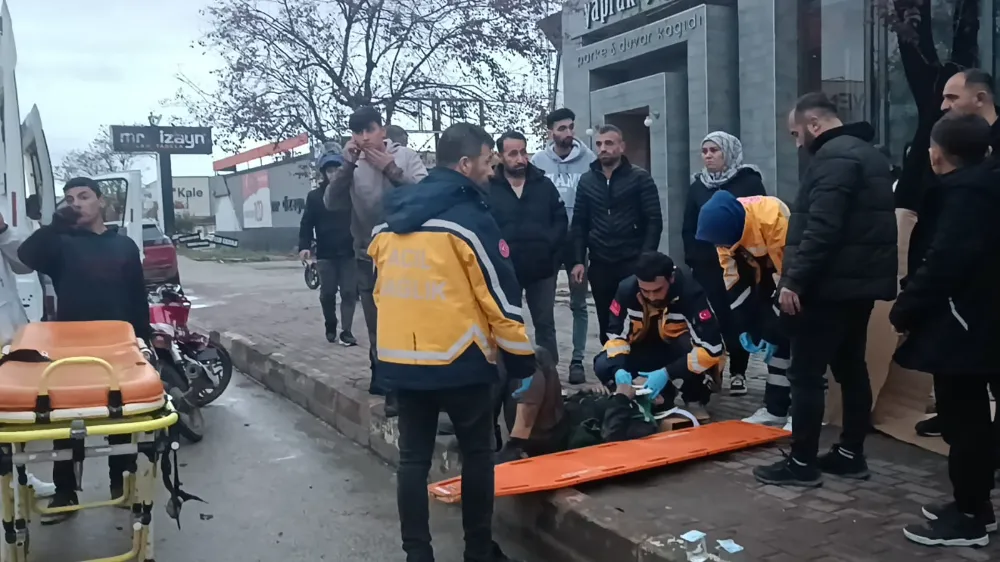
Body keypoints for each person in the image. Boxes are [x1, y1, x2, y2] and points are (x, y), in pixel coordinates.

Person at [369, 122, 534, 562]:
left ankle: (417, 554)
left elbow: (381, 291)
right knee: (479, 455)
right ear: (465, 164)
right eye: (486, 161)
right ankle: (478, 549)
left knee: (412, 461)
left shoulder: (390, 219)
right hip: (461, 360)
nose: (491, 170)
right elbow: (500, 298)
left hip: (402, 361)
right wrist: (521, 360)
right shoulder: (470, 220)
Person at [753, 92, 897, 488]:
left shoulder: (832, 159)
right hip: (858, 286)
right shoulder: (869, 155)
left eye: (797, 134)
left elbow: (822, 226)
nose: (797, 143)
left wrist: (794, 280)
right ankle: (851, 453)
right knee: (851, 367)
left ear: (814, 125)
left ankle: (801, 463)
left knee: (805, 373)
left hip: (828, 286)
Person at [890, 113, 1000, 548]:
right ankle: (974, 504)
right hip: (974, 322)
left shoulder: (968, 195)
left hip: (964, 325)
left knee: (964, 422)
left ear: (938, 153)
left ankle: (970, 517)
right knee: (963, 419)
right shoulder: (980, 187)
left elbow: (944, 261)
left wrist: (906, 308)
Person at [18, 177, 151, 522]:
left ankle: (119, 484)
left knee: (119, 417)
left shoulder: (124, 246)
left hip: (118, 346)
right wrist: (55, 224)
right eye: (70, 198)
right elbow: (25, 256)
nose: (76, 202)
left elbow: (138, 296)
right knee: (67, 421)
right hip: (71, 348)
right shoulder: (60, 244)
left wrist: (145, 340)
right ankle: (65, 492)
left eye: (84, 196)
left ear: (101, 202)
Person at [911, 69, 1000, 445]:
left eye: (951, 98)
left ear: (979, 98)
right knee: (959, 372)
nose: (943, 106)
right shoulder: (947, 143)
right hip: (957, 282)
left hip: (981, 281)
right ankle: (956, 420)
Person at [325, 106, 428, 416]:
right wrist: (347, 164)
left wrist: (390, 168)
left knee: (408, 321)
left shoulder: (406, 156)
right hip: (367, 254)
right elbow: (331, 202)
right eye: (358, 132)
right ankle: (387, 383)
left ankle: (415, 382)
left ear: (383, 130)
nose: (365, 137)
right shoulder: (352, 164)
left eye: (370, 130)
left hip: (408, 253)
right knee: (377, 324)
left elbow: (425, 196)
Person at [696, 191, 792, 430]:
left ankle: (801, 411)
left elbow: (788, 274)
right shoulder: (723, 233)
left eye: (722, 242)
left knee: (794, 339)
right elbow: (733, 278)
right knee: (776, 347)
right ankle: (776, 409)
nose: (720, 246)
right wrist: (745, 323)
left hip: (792, 276)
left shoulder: (773, 218)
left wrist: (773, 324)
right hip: (761, 272)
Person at [592, 251, 725, 422]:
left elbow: (712, 348)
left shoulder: (690, 293)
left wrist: (667, 373)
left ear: (671, 279)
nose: (652, 297)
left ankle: (695, 397)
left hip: (675, 352)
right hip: (643, 348)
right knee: (603, 363)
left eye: (657, 290)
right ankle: (630, 392)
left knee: (692, 349)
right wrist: (619, 369)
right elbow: (615, 336)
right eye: (645, 291)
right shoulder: (626, 290)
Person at [682, 131, 767, 396]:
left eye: (714, 151)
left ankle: (739, 372)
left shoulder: (749, 181)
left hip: (740, 263)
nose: (708, 156)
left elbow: (760, 221)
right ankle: (712, 369)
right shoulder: (698, 186)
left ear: (728, 152)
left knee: (738, 316)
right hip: (707, 266)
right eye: (705, 151)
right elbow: (689, 225)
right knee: (711, 319)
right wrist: (692, 259)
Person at [571, 124, 663, 349]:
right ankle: (612, 361)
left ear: (622, 146)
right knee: (606, 317)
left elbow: (654, 220)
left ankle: (641, 362)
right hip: (601, 262)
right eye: (600, 144)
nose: (603, 148)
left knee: (637, 315)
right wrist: (577, 260)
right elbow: (579, 223)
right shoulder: (587, 181)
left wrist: (646, 258)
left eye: (609, 143)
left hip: (631, 260)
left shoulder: (640, 178)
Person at [496, 347, 658, 463]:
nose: (637, 380)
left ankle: (515, 444)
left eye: (644, 380)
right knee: (517, 357)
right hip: (554, 421)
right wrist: (586, 393)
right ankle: (505, 439)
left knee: (539, 357)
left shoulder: (642, 421)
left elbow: (611, 439)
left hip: (554, 435)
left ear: (658, 398)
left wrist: (622, 399)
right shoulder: (616, 398)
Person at [489, 130, 567, 362]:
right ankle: (512, 376)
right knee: (508, 324)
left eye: (523, 152)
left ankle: (550, 381)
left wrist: (549, 247)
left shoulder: (543, 185)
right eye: (513, 153)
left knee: (545, 325)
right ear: (500, 156)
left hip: (542, 270)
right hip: (505, 271)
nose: (520, 159)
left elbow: (561, 219)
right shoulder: (489, 187)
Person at [531, 108, 596, 383]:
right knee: (544, 311)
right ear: (550, 132)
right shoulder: (537, 162)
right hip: (548, 243)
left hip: (578, 242)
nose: (568, 133)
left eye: (571, 127)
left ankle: (578, 361)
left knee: (579, 304)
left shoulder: (589, 160)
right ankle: (548, 366)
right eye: (561, 128)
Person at [0, 210, 57, 499]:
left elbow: (24, 264)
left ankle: (20, 479)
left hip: (9, 337)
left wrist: (3, 231)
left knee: (11, 420)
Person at [299, 147, 358, 346]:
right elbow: (307, 222)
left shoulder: (351, 193)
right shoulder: (315, 197)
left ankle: (347, 330)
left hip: (349, 251)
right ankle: (330, 323)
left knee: (349, 292)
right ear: (323, 173)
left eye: (337, 169)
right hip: (326, 253)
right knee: (328, 292)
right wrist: (304, 245)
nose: (333, 174)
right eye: (329, 170)